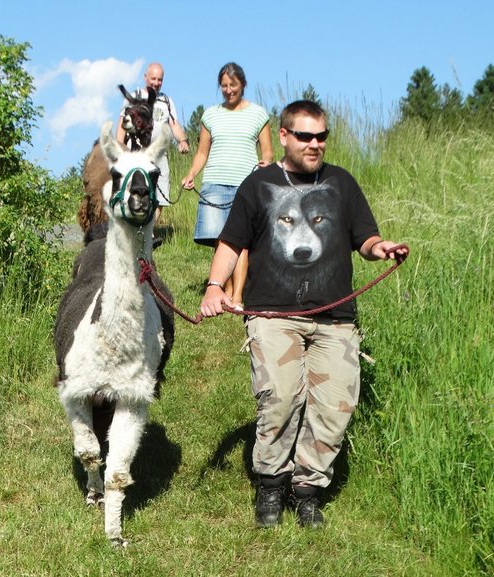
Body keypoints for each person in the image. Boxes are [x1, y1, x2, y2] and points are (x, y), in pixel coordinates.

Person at [199, 100, 408, 529]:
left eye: (322, 136)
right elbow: (231, 241)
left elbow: (365, 239)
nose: (315, 144)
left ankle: (307, 488)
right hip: (272, 314)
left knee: (335, 407)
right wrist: (214, 286)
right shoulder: (258, 186)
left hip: (336, 318)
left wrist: (380, 249)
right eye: (305, 136)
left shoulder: (342, 184)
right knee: (279, 399)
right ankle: (271, 484)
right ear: (285, 136)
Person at [182, 62, 273, 304]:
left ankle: (237, 296)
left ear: (243, 85)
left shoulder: (258, 114)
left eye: (233, 85)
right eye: (223, 86)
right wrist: (191, 173)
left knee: (242, 242)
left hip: (247, 186)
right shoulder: (210, 115)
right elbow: (202, 152)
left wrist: (265, 163)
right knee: (221, 240)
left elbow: (268, 153)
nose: (228, 90)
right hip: (215, 183)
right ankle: (222, 291)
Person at [116, 62, 190, 225]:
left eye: (160, 80)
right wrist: (119, 150)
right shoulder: (134, 97)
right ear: (145, 78)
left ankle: (149, 231)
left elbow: (174, 124)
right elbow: (122, 124)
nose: (156, 83)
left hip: (159, 155)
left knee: (160, 195)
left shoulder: (166, 101)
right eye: (153, 79)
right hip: (137, 154)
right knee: (134, 190)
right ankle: (132, 228)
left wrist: (183, 140)